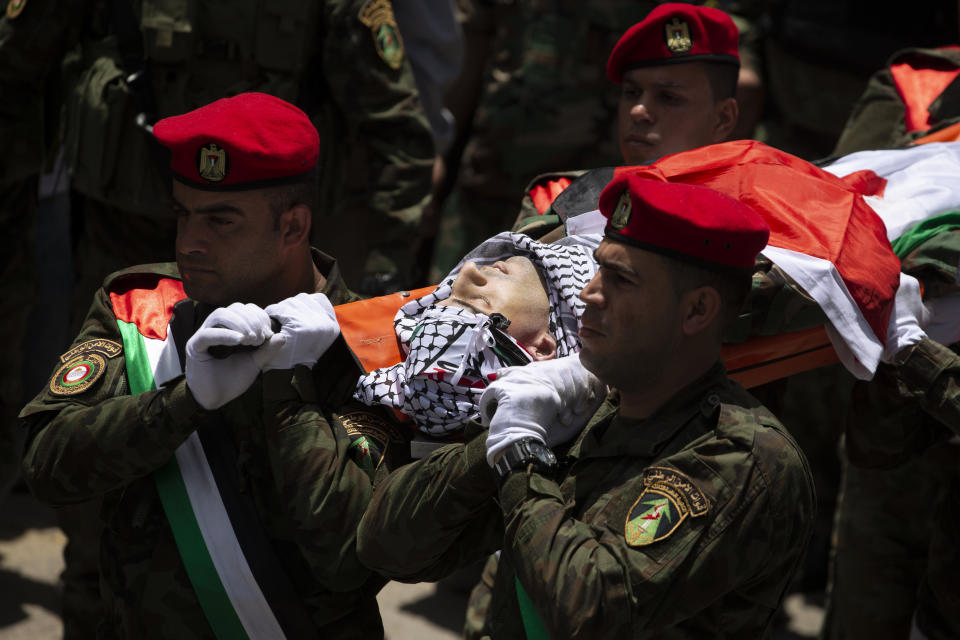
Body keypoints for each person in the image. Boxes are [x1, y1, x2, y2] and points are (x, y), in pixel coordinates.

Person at [357, 175, 816, 637]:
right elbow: (388, 545)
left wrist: (519, 458)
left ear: (696, 311)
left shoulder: (741, 457)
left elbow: (588, 611)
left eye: (622, 280)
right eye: (599, 270)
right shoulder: (583, 415)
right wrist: (493, 444)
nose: (589, 294)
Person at [19, 93, 383, 638]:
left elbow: (355, 556)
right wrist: (183, 402)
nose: (189, 242)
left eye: (221, 221)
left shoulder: (373, 347)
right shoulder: (141, 310)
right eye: (182, 214)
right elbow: (47, 465)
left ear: (292, 227)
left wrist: (293, 391)